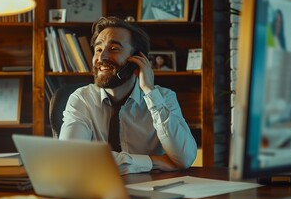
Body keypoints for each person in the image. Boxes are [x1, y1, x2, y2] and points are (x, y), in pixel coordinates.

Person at [59, 16, 197, 175]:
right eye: (98, 49)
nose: (102, 57)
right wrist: (153, 162)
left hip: (152, 192)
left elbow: (185, 158)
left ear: (138, 59)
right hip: (97, 192)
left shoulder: (163, 98)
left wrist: (150, 92)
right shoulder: (82, 99)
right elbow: (69, 158)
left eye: (113, 49)